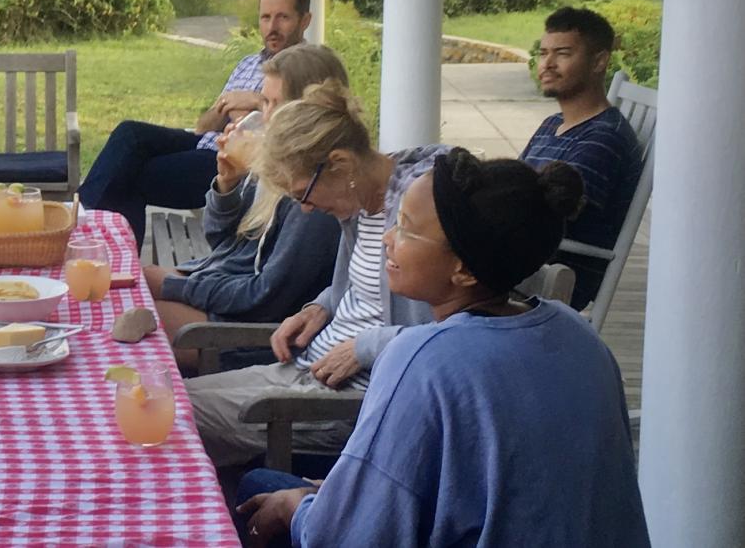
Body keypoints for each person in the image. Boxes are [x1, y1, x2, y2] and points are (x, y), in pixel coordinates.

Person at [236, 150, 650, 547]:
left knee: (261, 490)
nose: (387, 239)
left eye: (406, 228)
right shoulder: (579, 334)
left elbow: (350, 537)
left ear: (464, 269)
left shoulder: (425, 359)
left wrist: (297, 509)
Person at [184, 80, 447, 466]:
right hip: (305, 369)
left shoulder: (420, 219)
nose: (305, 210)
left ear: (340, 163)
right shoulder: (360, 201)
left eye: (302, 194)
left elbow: (453, 337)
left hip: (349, 403)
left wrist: (365, 347)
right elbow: (363, 288)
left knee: (172, 418)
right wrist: (320, 306)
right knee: (167, 397)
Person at [142, 45, 345, 369]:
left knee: (132, 321)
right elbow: (222, 242)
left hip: (249, 335)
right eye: (264, 102)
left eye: (276, 104)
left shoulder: (312, 196)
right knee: (125, 290)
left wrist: (176, 286)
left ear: (308, 110)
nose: (265, 117)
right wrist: (228, 185)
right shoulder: (278, 162)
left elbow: (265, 299)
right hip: (224, 288)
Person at [78, 0, 315, 244]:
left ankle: (82, 226)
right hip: (205, 141)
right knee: (130, 133)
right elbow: (204, 125)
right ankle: (87, 221)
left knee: (128, 174)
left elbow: (275, 130)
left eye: (283, 17)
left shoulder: (307, 69)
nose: (272, 28)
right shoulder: (248, 63)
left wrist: (255, 101)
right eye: (265, 17)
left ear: (305, 20)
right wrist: (229, 106)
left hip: (229, 164)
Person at [521, 7, 644, 310]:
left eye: (562, 53)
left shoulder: (604, 138)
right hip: (522, 259)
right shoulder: (552, 124)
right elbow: (512, 184)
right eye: (543, 53)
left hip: (553, 274)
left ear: (599, 62)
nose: (547, 64)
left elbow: (556, 210)